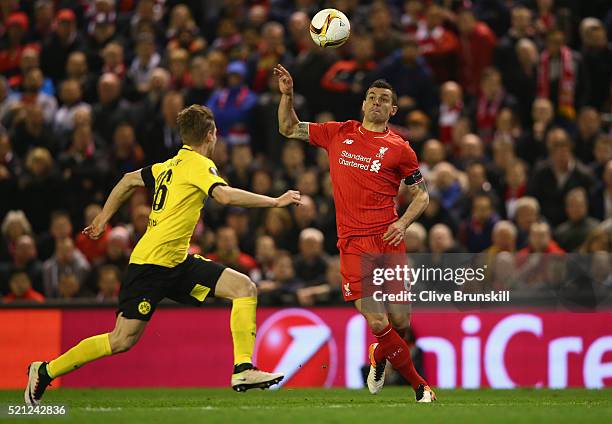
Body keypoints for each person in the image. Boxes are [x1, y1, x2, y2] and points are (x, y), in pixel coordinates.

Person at [25, 104, 303, 405]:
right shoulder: (198, 165)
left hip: (177, 261)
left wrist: (104, 218)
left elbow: (129, 179)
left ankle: (243, 368)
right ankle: (45, 370)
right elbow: (223, 196)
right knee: (122, 340)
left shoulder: (168, 165)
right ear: (211, 135)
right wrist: (275, 201)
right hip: (150, 264)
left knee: (244, 287)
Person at [274, 64, 435, 402]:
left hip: (389, 241)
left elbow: (421, 194)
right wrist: (287, 95)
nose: (376, 102)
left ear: (392, 110)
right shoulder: (338, 133)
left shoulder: (400, 148)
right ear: (363, 104)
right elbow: (288, 128)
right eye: (372, 97)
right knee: (378, 322)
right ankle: (420, 386)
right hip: (353, 244)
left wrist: (402, 223)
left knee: (401, 323)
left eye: (384, 100)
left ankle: (379, 355)